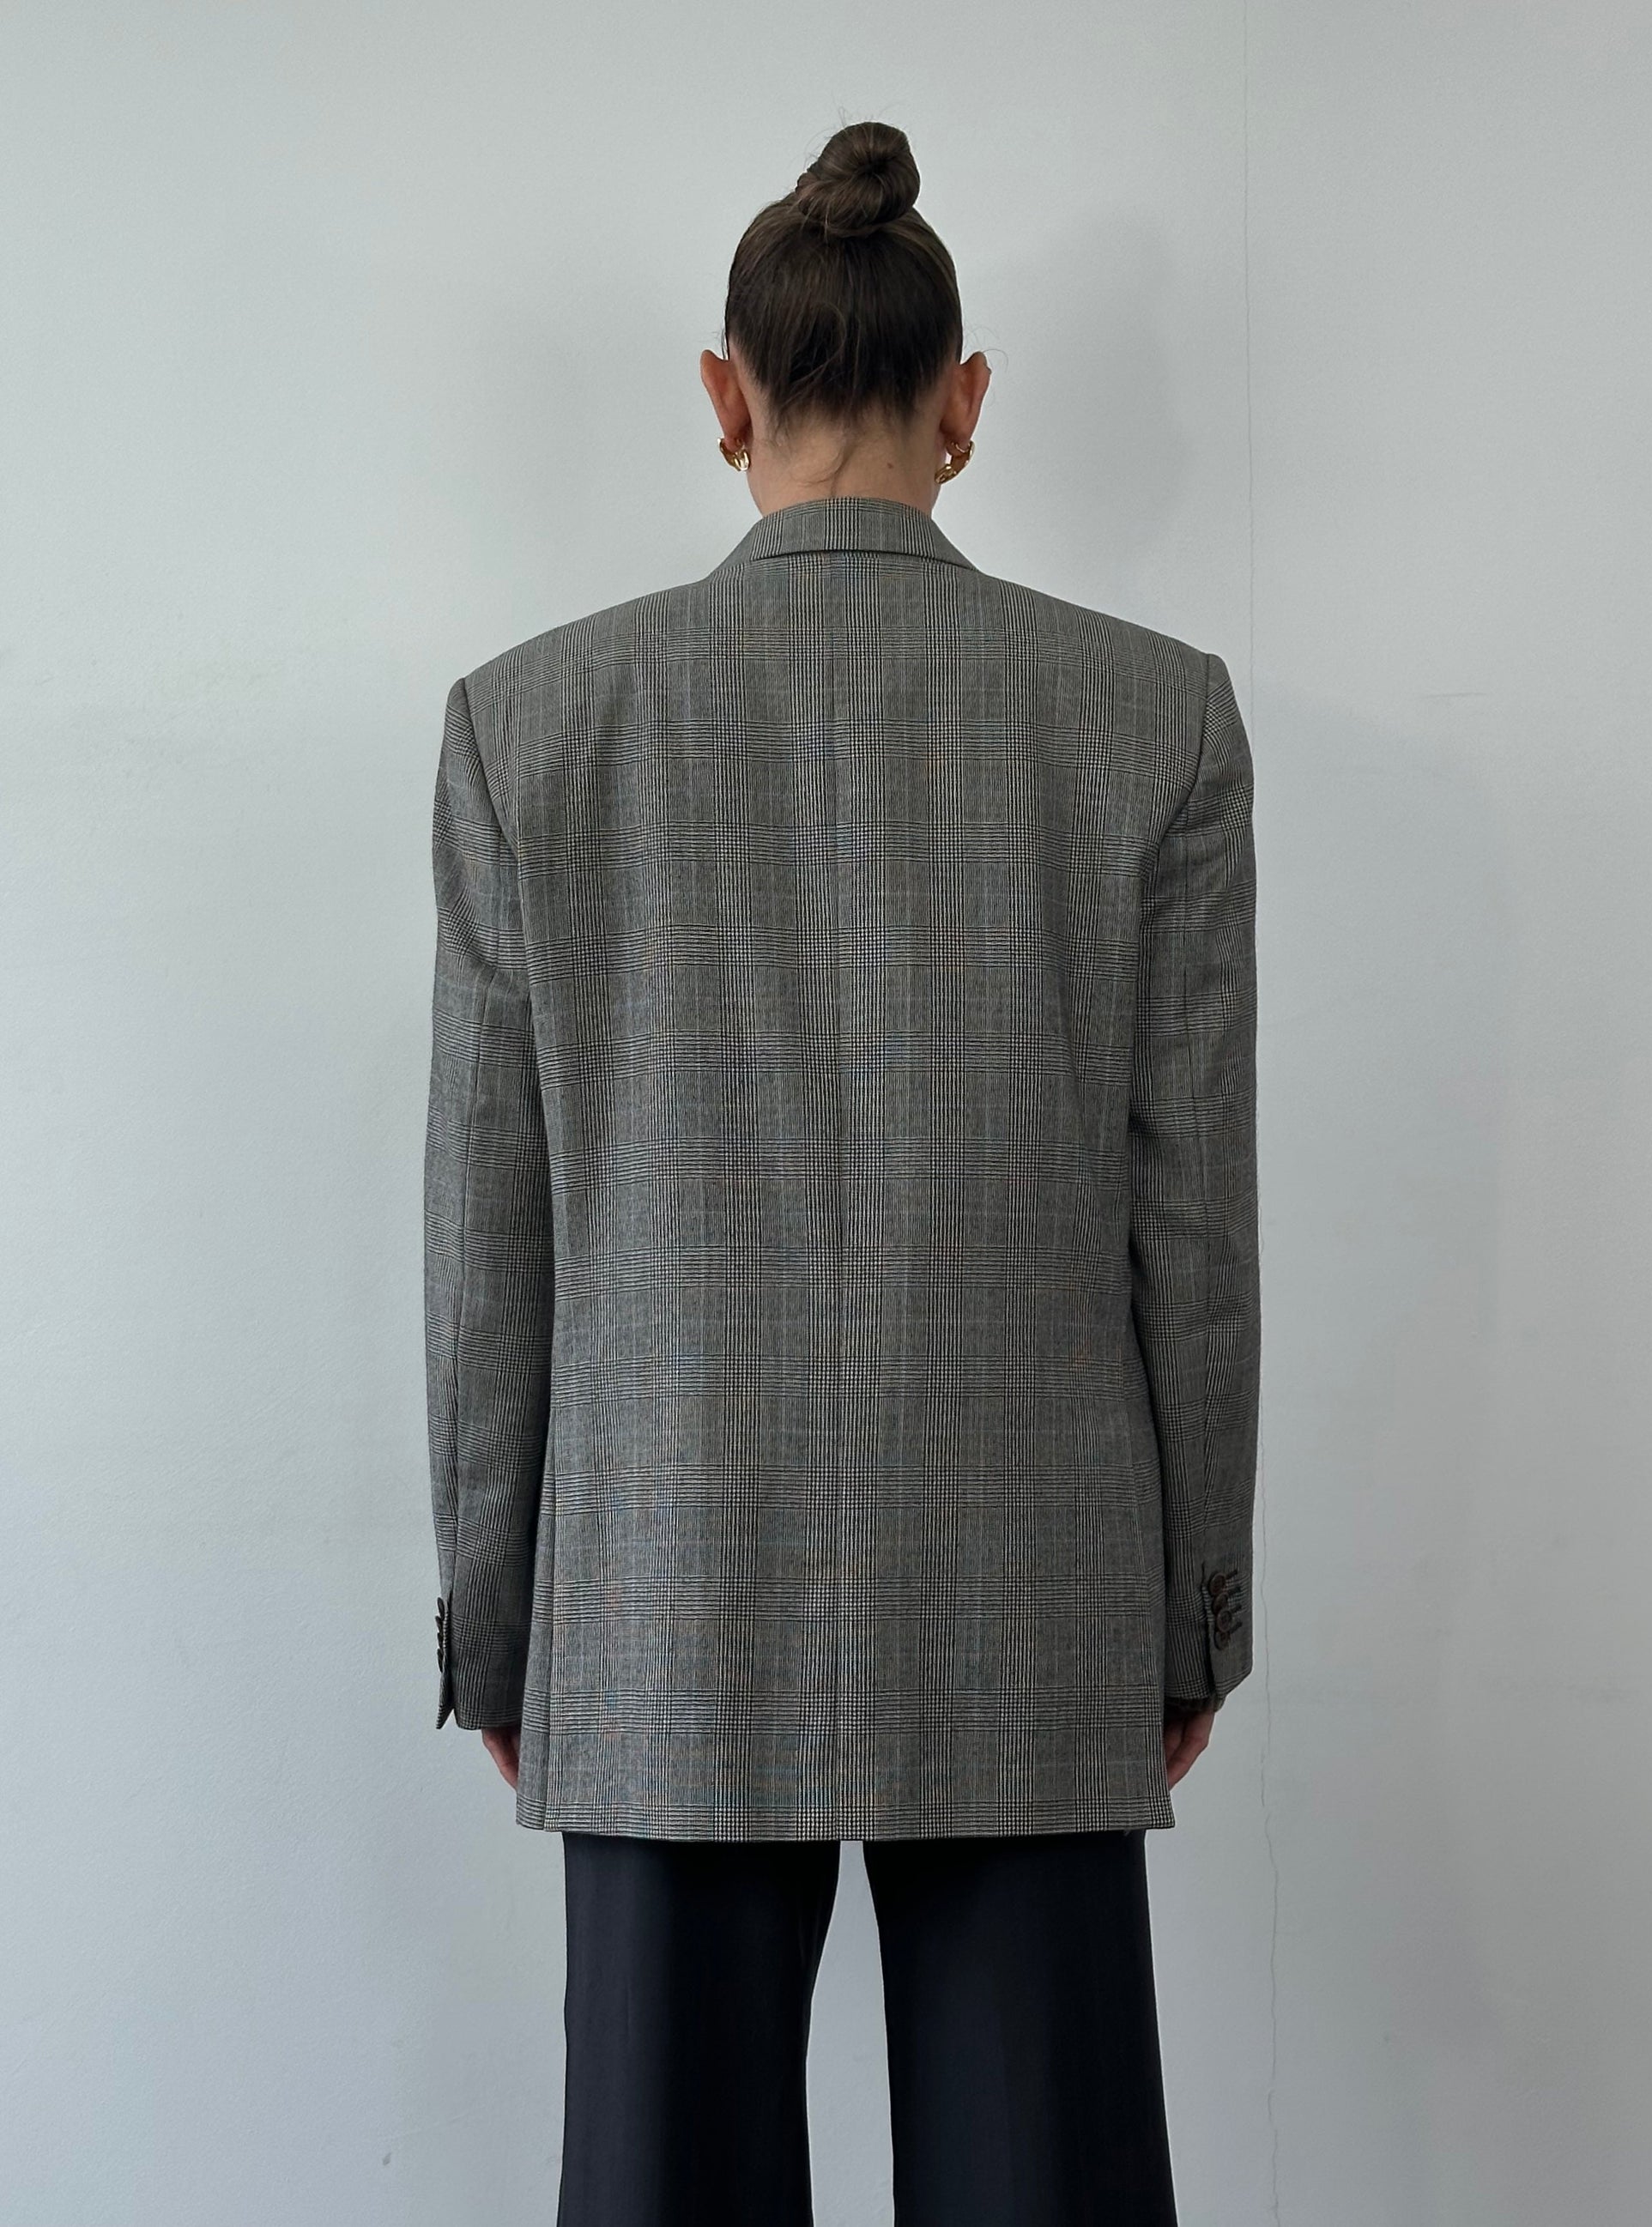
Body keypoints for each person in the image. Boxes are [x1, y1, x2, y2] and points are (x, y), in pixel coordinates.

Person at [423, 117, 1260, 2227]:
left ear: (725, 396)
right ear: (963, 403)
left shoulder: (531, 724)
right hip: (1033, 1578)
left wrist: (502, 1625)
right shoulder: (1152, 719)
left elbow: (489, 1239)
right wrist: (1191, 1617)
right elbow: (1193, 1227)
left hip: (665, 1587)